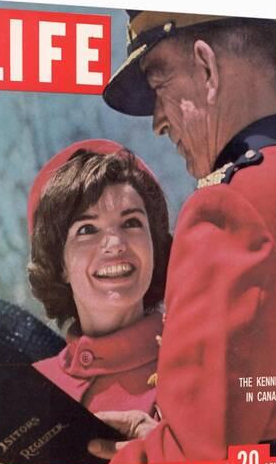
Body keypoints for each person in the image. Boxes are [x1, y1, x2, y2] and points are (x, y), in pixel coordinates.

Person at [87, 12, 276, 462]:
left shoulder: (228, 208)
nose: (158, 123)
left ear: (207, 70)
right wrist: (164, 429)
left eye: (159, 87)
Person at [27, 139, 172, 418]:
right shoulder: (27, 389)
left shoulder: (196, 362)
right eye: (87, 229)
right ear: (60, 264)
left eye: (131, 223)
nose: (115, 243)